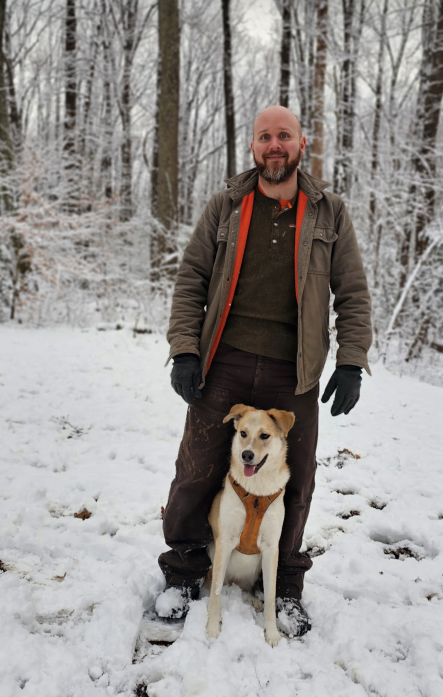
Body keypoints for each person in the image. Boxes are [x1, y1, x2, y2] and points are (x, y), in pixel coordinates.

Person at [155, 105, 372, 636]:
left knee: (293, 483)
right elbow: (190, 282)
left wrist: (350, 361)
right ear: (253, 147)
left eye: (284, 136)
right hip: (222, 363)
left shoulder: (329, 212)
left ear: (302, 143)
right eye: (264, 137)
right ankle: (184, 571)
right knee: (198, 467)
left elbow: (352, 293)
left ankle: (287, 586)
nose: (274, 145)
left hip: (292, 374)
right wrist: (185, 350)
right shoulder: (227, 205)